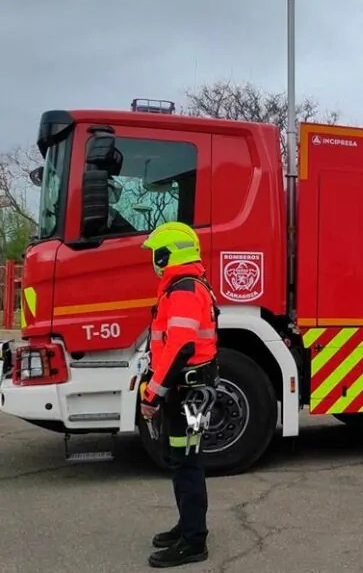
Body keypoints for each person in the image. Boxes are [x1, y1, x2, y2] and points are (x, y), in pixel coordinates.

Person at [138, 221, 220, 568]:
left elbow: (182, 346)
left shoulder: (184, 290)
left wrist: (153, 393)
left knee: (187, 463)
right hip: (188, 391)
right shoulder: (183, 287)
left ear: (169, 254)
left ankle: (193, 542)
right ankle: (187, 526)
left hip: (188, 393)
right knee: (181, 461)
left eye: (157, 253)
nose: (154, 260)